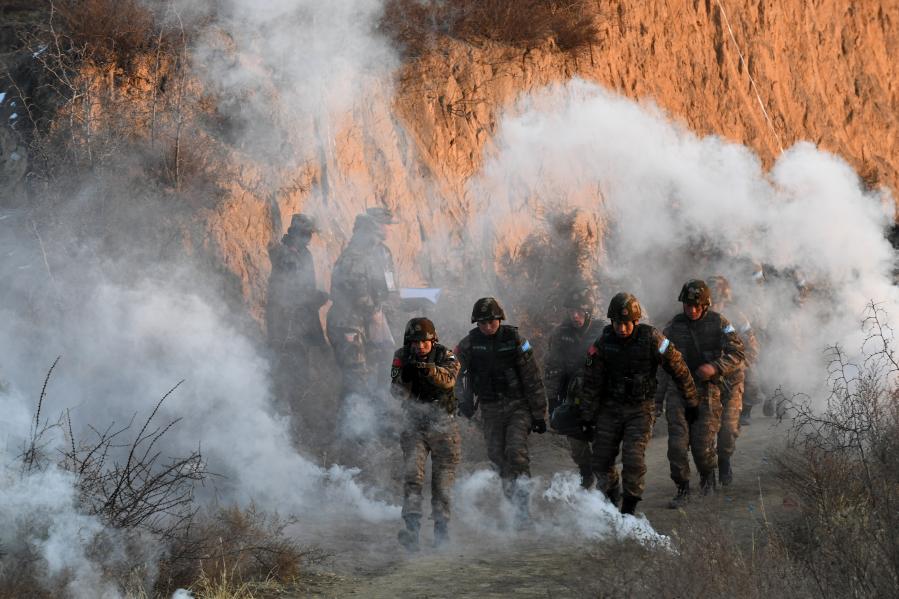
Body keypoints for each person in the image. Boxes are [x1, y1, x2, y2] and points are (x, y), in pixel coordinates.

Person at [574, 292, 697, 515]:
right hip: (610, 408)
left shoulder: (652, 338)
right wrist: (586, 416)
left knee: (633, 459)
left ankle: (629, 509)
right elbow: (592, 381)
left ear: (636, 321)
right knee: (601, 460)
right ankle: (611, 498)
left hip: (640, 409)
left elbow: (678, 368)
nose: (622, 329)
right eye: (617, 323)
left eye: (626, 323)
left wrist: (691, 400)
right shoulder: (604, 341)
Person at [455, 297, 547, 527]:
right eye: (482, 323)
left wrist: (538, 414)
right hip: (489, 408)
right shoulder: (469, 344)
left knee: (516, 453)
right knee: (497, 458)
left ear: (500, 319)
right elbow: (453, 372)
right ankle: (513, 504)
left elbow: (532, 378)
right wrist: (462, 401)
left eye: (492, 322)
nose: (487, 327)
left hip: (518, 406)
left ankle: (523, 511)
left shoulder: (515, 340)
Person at [655, 280, 745, 508]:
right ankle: (682, 488)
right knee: (677, 446)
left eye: (696, 305)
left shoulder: (720, 323)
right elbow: (662, 366)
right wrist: (656, 400)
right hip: (678, 391)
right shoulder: (673, 327)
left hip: (707, 392)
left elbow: (738, 353)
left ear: (705, 305)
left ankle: (708, 479)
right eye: (688, 305)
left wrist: (715, 367)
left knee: (702, 446)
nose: (692, 310)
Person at [391, 317, 461, 552]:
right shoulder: (401, 356)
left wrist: (427, 370)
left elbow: (449, 380)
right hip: (414, 425)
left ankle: (442, 531)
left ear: (433, 341)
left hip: (443, 426)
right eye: (415, 342)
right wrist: (406, 378)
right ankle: (411, 530)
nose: (420, 346)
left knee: (442, 482)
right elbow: (396, 392)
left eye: (424, 342)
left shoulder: (445, 355)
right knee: (413, 478)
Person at [326, 207, 399, 402]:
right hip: (349, 324)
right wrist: (376, 312)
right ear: (375, 226)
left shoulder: (383, 253)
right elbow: (357, 294)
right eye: (386, 224)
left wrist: (394, 302)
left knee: (381, 369)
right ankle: (352, 420)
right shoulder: (354, 255)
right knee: (356, 382)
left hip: (371, 321)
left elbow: (390, 286)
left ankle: (376, 413)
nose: (390, 229)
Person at [543, 287, 609, 491]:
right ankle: (586, 475)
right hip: (572, 397)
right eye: (571, 311)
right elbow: (553, 369)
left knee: (603, 443)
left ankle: (607, 484)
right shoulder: (560, 334)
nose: (575, 316)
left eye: (580, 311)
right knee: (577, 444)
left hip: (600, 397)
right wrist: (553, 402)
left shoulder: (603, 331)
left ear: (589, 311)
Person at [266, 214, 328, 410]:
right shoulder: (284, 254)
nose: (309, 238)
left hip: (302, 319)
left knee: (301, 365)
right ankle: (282, 408)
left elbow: (306, 289)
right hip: (285, 320)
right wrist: (315, 297)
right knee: (286, 363)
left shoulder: (305, 254)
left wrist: (316, 298)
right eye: (306, 234)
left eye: (310, 234)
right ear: (296, 234)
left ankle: (298, 408)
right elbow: (290, 290)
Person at [708, 275, 760, 485]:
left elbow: (752, 349)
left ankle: (724, 461)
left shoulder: (736, 318)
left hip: (731, 381)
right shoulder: (697, 319)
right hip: (707, 383)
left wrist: (737, 366)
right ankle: (707, 473)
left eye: (717, 299)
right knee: (704, 432)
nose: (713, 305)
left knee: (728, 430)